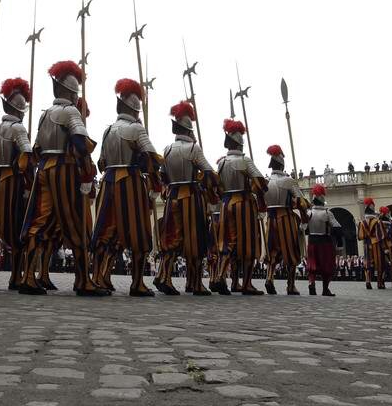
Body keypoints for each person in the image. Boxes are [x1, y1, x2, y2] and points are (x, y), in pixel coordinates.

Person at [21, 60, 104, 296]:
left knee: (40, 222)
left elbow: (36, 147)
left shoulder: (45, 114)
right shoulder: (70, 112)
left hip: (44, 168)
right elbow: (80, 144)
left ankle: (29, 276)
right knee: (76, 222)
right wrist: (87, 174)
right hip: (65, 170)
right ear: (71, 91)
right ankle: (82, 280)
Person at [90, 79, 162, 297]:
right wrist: (153, 177)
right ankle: (137, 282)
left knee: (106, 232)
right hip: (130, 181)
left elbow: (101, 162)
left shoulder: (108, 130)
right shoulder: (137, 129)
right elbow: (152, 160)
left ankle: (100, 277)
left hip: (108, 180)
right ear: (136, 109)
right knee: (138, 232)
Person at [160, 100, 218, 296]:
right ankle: (194, 283)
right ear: (189, 130)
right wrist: (213, 191)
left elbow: (163, 176)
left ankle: (164, 277)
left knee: (171, 239)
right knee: (195, 240)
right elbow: (209, 173)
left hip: (172, 196)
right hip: (191, 197)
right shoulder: (194, 148)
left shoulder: (167, 149)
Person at [0, 77, 34, 292]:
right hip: (12, 181)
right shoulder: (18, 128)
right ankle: (16, 276)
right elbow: (26, 153)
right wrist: (28, 182)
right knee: (17, 229)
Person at [214, 119, 266, 295]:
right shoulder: (245, 161)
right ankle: (247, 284)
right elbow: (261, 183)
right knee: (248, 244)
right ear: (240, 143)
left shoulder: (221, 162)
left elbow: (218, 186)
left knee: (228, 241)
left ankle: (222, 276)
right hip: (243, 203)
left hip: (226, 203)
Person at [263, 144, 305, 296]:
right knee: (291, 251)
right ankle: (291, 285)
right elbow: (301, 201)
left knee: (272, 251)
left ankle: (269, 278)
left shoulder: (266, 181)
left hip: (270, 218)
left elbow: (261, 202)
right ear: (282, 164)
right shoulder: (288, 181)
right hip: (285, 217)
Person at [305, 183, 339, 296]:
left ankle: (311, 283)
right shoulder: (327, 213)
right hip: (324, 241)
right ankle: (325, 289)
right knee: (326, 266)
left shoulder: (308, 213)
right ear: (321, 197)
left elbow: (302, 228)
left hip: (311, 241)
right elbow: (337, 227)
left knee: (312, 265)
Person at [358, 196, 388, 290]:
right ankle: (380, 283)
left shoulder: (362, 222)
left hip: (367, 244)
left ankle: (368, 281)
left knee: (368, 263)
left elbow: (360, 236)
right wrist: (385, 247)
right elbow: (382, 236)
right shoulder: (378, 222)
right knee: (380, 263)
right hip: (376, 244)